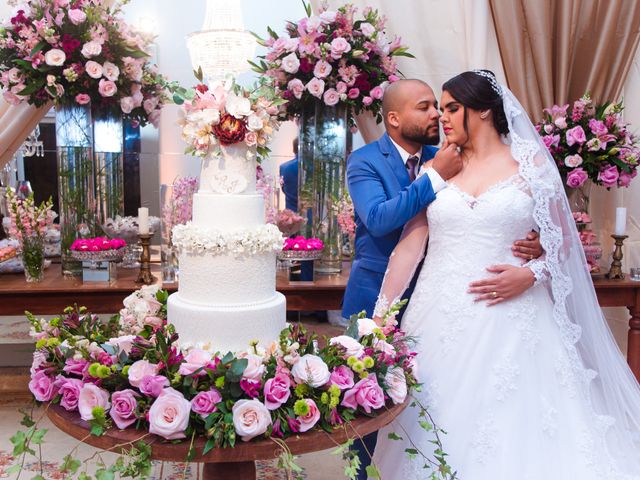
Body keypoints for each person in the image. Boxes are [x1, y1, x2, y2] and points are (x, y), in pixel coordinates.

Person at [371, 70, 640, 479]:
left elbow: (566, 243)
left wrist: (531, 273)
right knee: (433, 419)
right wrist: (380, 318)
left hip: (516, 317)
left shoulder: (531, 166)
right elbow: (410, 247)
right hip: (438, 314)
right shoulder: (440, 165)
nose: (442, 118)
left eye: (451, 108)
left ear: (481, 111)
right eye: (440, 109)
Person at [343, 79, 543, 479]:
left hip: (453, 302)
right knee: (368, 409)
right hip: (385, 294)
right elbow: (382, 221)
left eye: (444, 106)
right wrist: (434, 177)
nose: (437, 115)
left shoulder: (454, 154)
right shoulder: (366, 161)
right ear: (395, 117)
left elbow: (515, 220)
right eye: (427, 107)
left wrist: (536, 250)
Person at [280, 137, 299, 212]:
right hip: (310, 212)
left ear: (294, 149)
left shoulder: (283, 167)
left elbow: (284, 189)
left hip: (290, 211)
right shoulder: (314, 167)